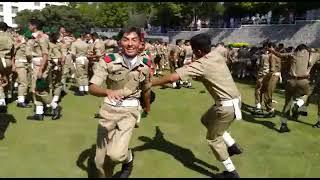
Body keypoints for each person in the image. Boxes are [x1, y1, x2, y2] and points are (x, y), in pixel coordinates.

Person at [151, 33, 242, 178]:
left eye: (193, 50)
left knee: (213, 139)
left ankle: (231, 172)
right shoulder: (217, 55)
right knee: (206, 120)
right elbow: (208, 74)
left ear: (198, 51)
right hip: (235, 100)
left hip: (225, 106)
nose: (193, 52)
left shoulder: (201, 64)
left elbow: (171, 77)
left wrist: (150, 83)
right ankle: (232, 146)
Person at [89, 27, 151, 178]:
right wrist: (108, 92)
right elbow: (92, 87)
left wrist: (147, 108)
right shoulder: (108, 60)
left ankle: (128, 158)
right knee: (100, 162)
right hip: (108, 111)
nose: (130, 44)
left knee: (116, 155)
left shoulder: (145, 63)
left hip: (129, 111)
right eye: (126, 39)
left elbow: (146, 89)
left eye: (134, 40)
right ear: (119, 43)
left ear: (141, 44)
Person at [268, 44, 320, 133]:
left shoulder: (292, 54)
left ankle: (283, 125)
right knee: (306, 95)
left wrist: (272, 50)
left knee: (287, 103)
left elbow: (279, 55)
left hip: (290, 81)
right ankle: (298, 104)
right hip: (303, 80)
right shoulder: (314, 55)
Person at [26, 19, 61, 120]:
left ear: (34, 26)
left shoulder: (41, 37)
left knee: (38, 89)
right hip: (36, 64)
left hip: (40, 65)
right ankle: (39, 113)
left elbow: (45, 55)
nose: (28, 27)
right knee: (36, 89)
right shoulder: (36, 37)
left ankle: (54, 106)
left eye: (29, 25)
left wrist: (41, 69)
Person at [12, 32, 32, 108]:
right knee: (23, 83)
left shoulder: (27, 42)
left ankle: (23, 98)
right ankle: (20, 101)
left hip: (25, 64)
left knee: (26, 82)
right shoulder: (20, 41)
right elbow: (13, 51)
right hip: (20, 63)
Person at [48, 32, 65, 116]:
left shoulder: (49, 44)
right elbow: (63, 55)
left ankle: (53, 100)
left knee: (53, 83)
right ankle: (54, 100)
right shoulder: (60, 44)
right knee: (56, 83)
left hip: (54, 64)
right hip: (56, 63)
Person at [0, 22, 14, 113]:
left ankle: (1, 101)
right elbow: (13, 50)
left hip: (0, 59)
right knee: (7, 78)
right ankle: (6, 95)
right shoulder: (10, 36)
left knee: (0, 80)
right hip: (8, 60)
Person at [71, 32, 90, 96]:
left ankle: (81, 90)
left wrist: (73, 60)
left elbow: (73, 53)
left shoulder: (74, 43)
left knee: (79, 75)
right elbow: (88, 53)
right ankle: (86, 89)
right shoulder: (86, 44)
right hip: (85, 59)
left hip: (79, 59)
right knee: (85, 74)